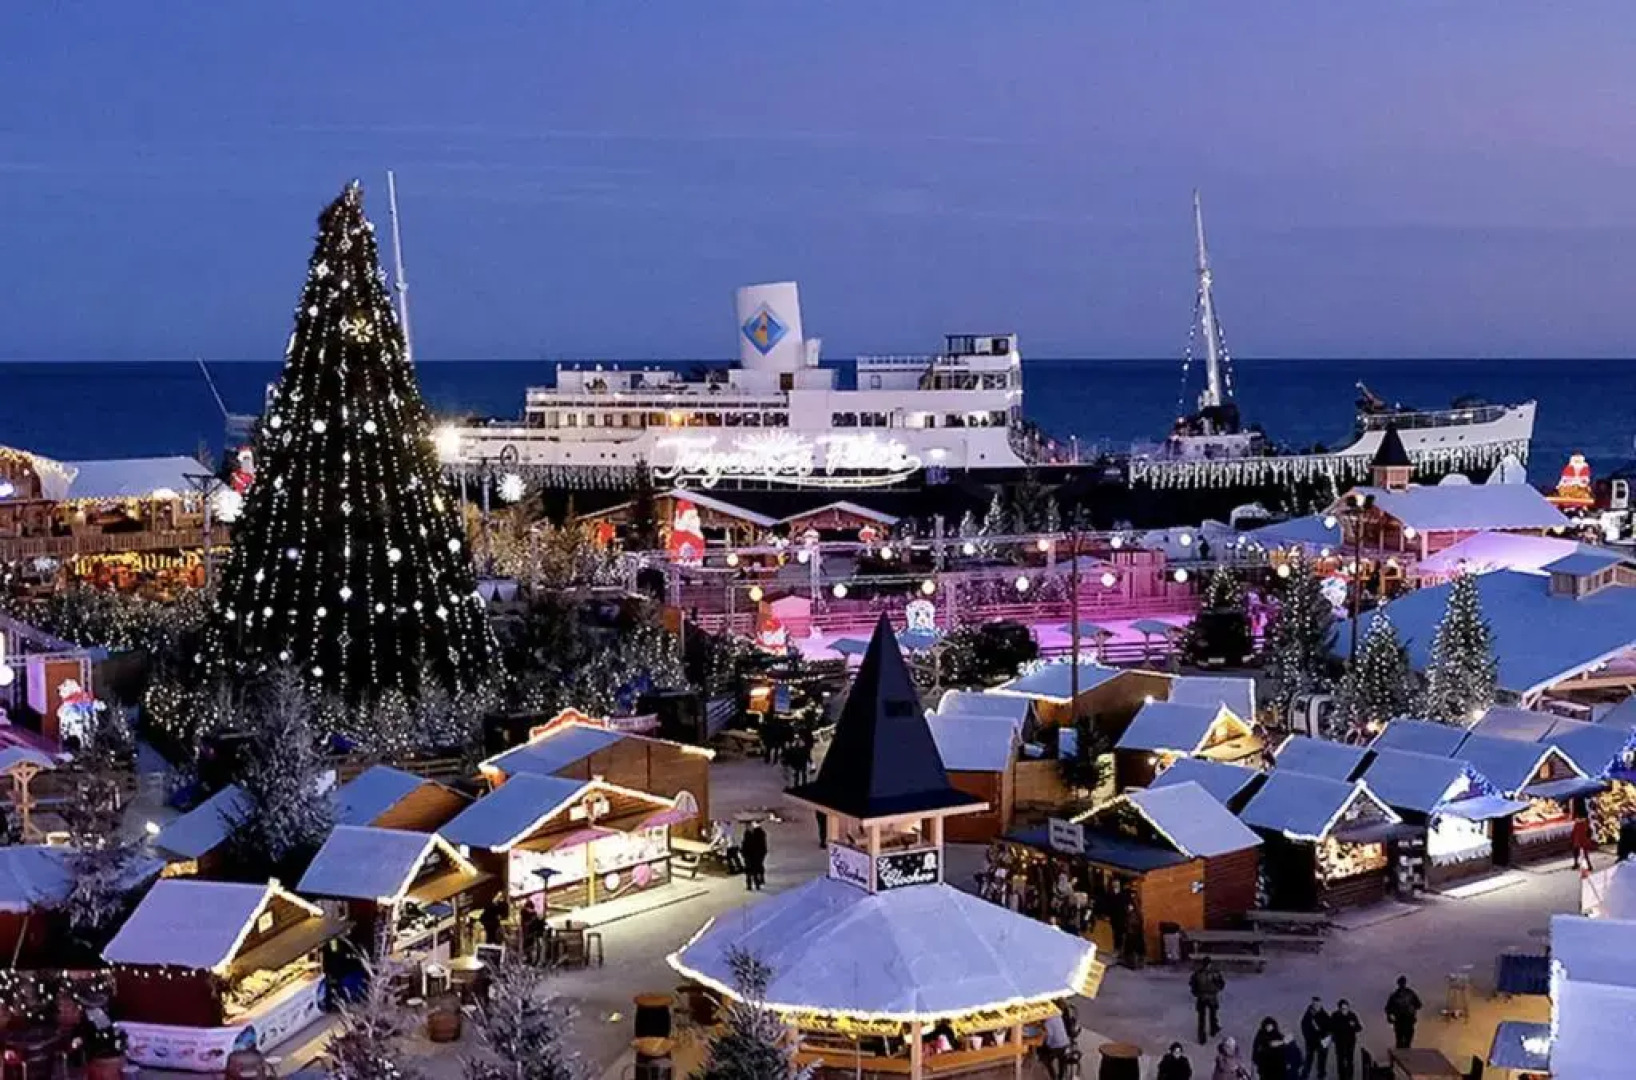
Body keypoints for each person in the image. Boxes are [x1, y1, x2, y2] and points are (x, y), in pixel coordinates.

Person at [1190, 957, 1226, 1044]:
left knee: (1202, 1018)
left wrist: (1196, 993)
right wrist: (1217, 988)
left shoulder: (1198, 973)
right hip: (1211, 997)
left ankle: (1202, 1037)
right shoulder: (1215, 973)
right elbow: (1221, 984)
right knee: (1212, 1015)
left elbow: (1192, 984)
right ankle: (1212, 1030)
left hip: (1202, 997)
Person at [1385, 975, 1422, 1050]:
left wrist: (1412, 1009)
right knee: (1399, 1041)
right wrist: (1389, 1017)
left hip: (1408, 1020)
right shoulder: (1395, 995)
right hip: (1399, 1020)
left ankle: (1407, 1056)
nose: (1402, 985)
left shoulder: (1410, 994)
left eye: (1403, 983)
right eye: (1401, 983)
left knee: (1407, 1041)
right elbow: (1388, 1008)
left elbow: (1419, 1005)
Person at [1329, 1000, 1362, 1080]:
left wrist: (1353, 1025)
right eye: (1343, 1009)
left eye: (1346, 1008)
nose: (1345, 1010)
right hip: (1339, 1042)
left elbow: (1359, 1028)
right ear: (1339, 1009)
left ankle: (1350, 1077)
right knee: (1340, 1061)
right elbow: (1331, 1027)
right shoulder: (1335, 1016)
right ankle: (1342, 1077)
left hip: (1350, 1042)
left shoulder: (1352, 1015)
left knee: (1350, 1061)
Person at [1299, 997, 1331, 1080]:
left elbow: (1329, 1027)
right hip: (1311, 1042)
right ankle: (1304, 1077)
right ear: (1312, 1004)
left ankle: (1321, 1076)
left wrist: (1325, 1038)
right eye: (1315, 1004)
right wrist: (1309, 1038)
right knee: (1308, 1060)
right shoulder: (1308, 1015)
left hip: (1322, 1042)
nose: (1317, 1006)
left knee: (1322, 1061)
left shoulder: (1324, 1014)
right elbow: (1304, 1027)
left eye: (1318, 1004)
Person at [1040, 1006, 1073, 1080]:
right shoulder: (1057, 1016)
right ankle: (1061, 1077)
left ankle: (1053, 1077)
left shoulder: (1047, 1022)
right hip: (1065, 1042)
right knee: (1062, 1062)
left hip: (1057, 1046)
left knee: (1046, 1060)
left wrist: (1047, 1044)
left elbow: (1049, 1036)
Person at [741, 819, 769, 891]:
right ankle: (754, 884)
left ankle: (753, 884)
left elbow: (748, 844)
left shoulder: (755, 833)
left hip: (753, 854)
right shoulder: (753, 833)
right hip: (752, 854)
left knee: (753, 869)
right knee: (753, 869)